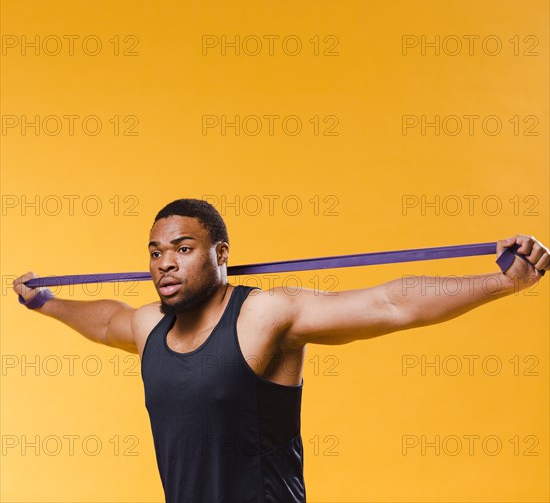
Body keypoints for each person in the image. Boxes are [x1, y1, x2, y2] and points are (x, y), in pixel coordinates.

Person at [13, 198, 549, 503]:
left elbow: (391, 303)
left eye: (183, 248)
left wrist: (502, 283)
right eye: (155, 252)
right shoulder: (149, 324)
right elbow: (106, 319)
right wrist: (48, 303)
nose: (164, 264)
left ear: (221, 254)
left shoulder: (266, 314)